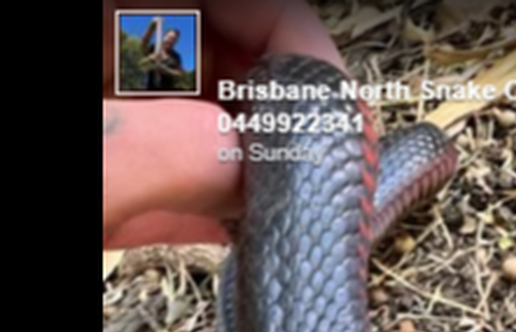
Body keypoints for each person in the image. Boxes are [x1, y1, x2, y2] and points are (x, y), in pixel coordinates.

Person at [103, 0, 346, 249]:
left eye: (173, 37)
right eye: (168, 36)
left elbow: (175, 73)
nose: (169, 39)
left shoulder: (173, 56)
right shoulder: (148, 45)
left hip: (160, 95)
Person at [140, 19, 184, 91]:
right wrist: (152, 27)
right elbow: (143, 43)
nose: (171, 41)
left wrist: (167, 71)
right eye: (170, 37)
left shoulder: (176, 56)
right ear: (164, 37)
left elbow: (179, 73)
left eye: (174, 39)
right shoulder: (154, 48)